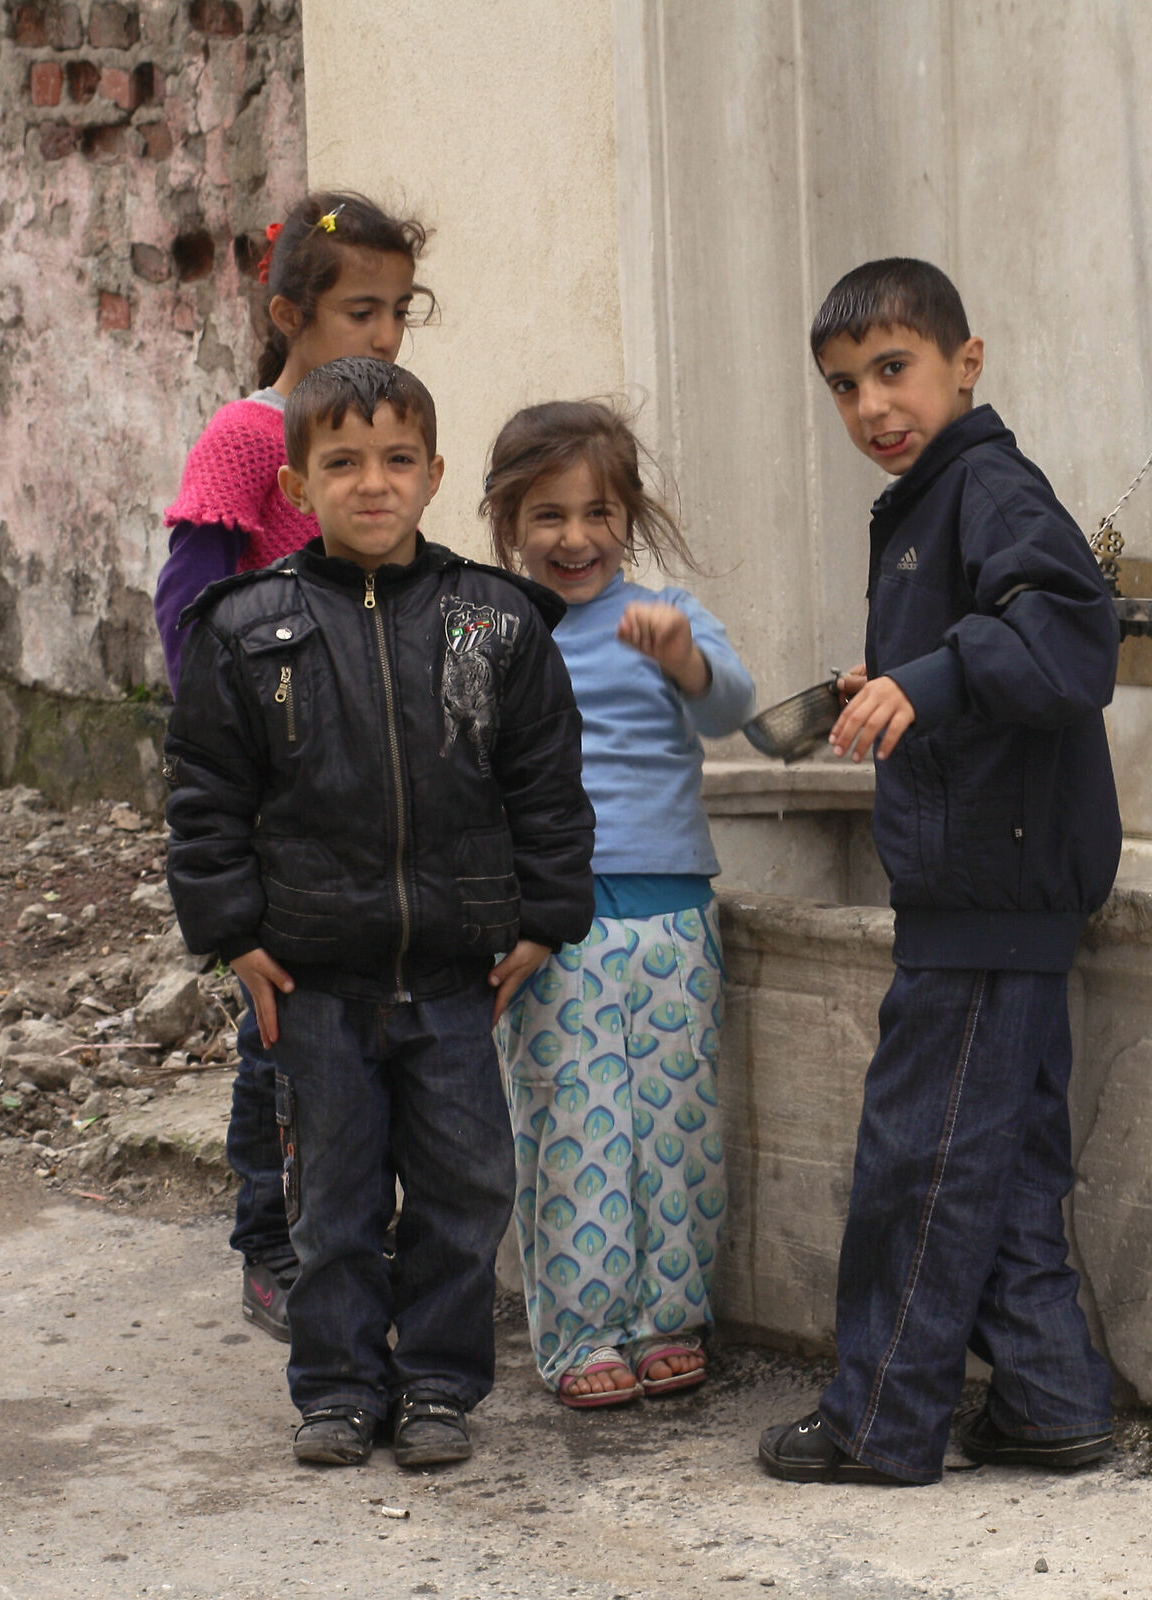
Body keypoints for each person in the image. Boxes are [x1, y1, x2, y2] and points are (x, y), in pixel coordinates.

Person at [165, 358, 595, 1469]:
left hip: (456, 974)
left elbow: (547, 785)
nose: (373, 484)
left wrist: (544, 916)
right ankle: (341, 1387)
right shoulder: (247, 627)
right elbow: (208, 794)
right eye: (343, 462)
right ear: (300, 485)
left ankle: (441, 1382)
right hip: (313, 977)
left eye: (397, 459)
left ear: (435, 473)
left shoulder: (492, 624)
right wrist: (233, 933)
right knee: (333, 1200)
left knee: (466, 1188)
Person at [757, 259, 1124, 1485]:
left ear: (969, 361)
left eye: (894, 369)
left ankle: (883, 1422)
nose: (871, 405)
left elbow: (1070, 633)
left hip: (984, 902)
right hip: (998, 896)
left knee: (917, 1166)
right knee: (1007, 1158)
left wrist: (936, 677)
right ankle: (1049, 1397)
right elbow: (989, 665)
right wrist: (898, 688)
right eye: (844, 386)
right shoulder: (935, 500)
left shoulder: (990, 488)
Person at [153, 192, 432, 1343]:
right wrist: (236, 741)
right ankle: (273, 1243)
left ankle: (354, 1235)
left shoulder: (365, 433)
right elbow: (188, 604)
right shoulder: (249, 437)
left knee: (358, 1019)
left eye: (399, 310)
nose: (383, 334)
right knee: (276, 1018)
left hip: (365, 784)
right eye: (359, 309)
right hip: (275, 780)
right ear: (287, 312)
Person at [482, 400, 756, 1409]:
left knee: (674, 1129)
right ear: (509, 520)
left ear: (628, 516)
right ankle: (585, 1329)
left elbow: (734, 706)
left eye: (598, 512)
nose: (575, 537)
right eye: (547, 514)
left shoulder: (667, 612)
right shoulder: (493, 626)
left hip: (675, 917)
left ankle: (666, 1315)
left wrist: (682, 659)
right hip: (559, 925)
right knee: (577, 1128)